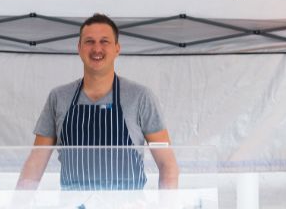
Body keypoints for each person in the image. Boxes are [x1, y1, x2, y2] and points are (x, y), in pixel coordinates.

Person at [19, 13, 178, 190]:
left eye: (104, 41)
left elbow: (167, 165)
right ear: (79, 48)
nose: (96, 49)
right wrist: (18, 208)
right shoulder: (58, 97)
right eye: (89, 42)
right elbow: (35, 163)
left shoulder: (140, 97)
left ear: (117, 48)